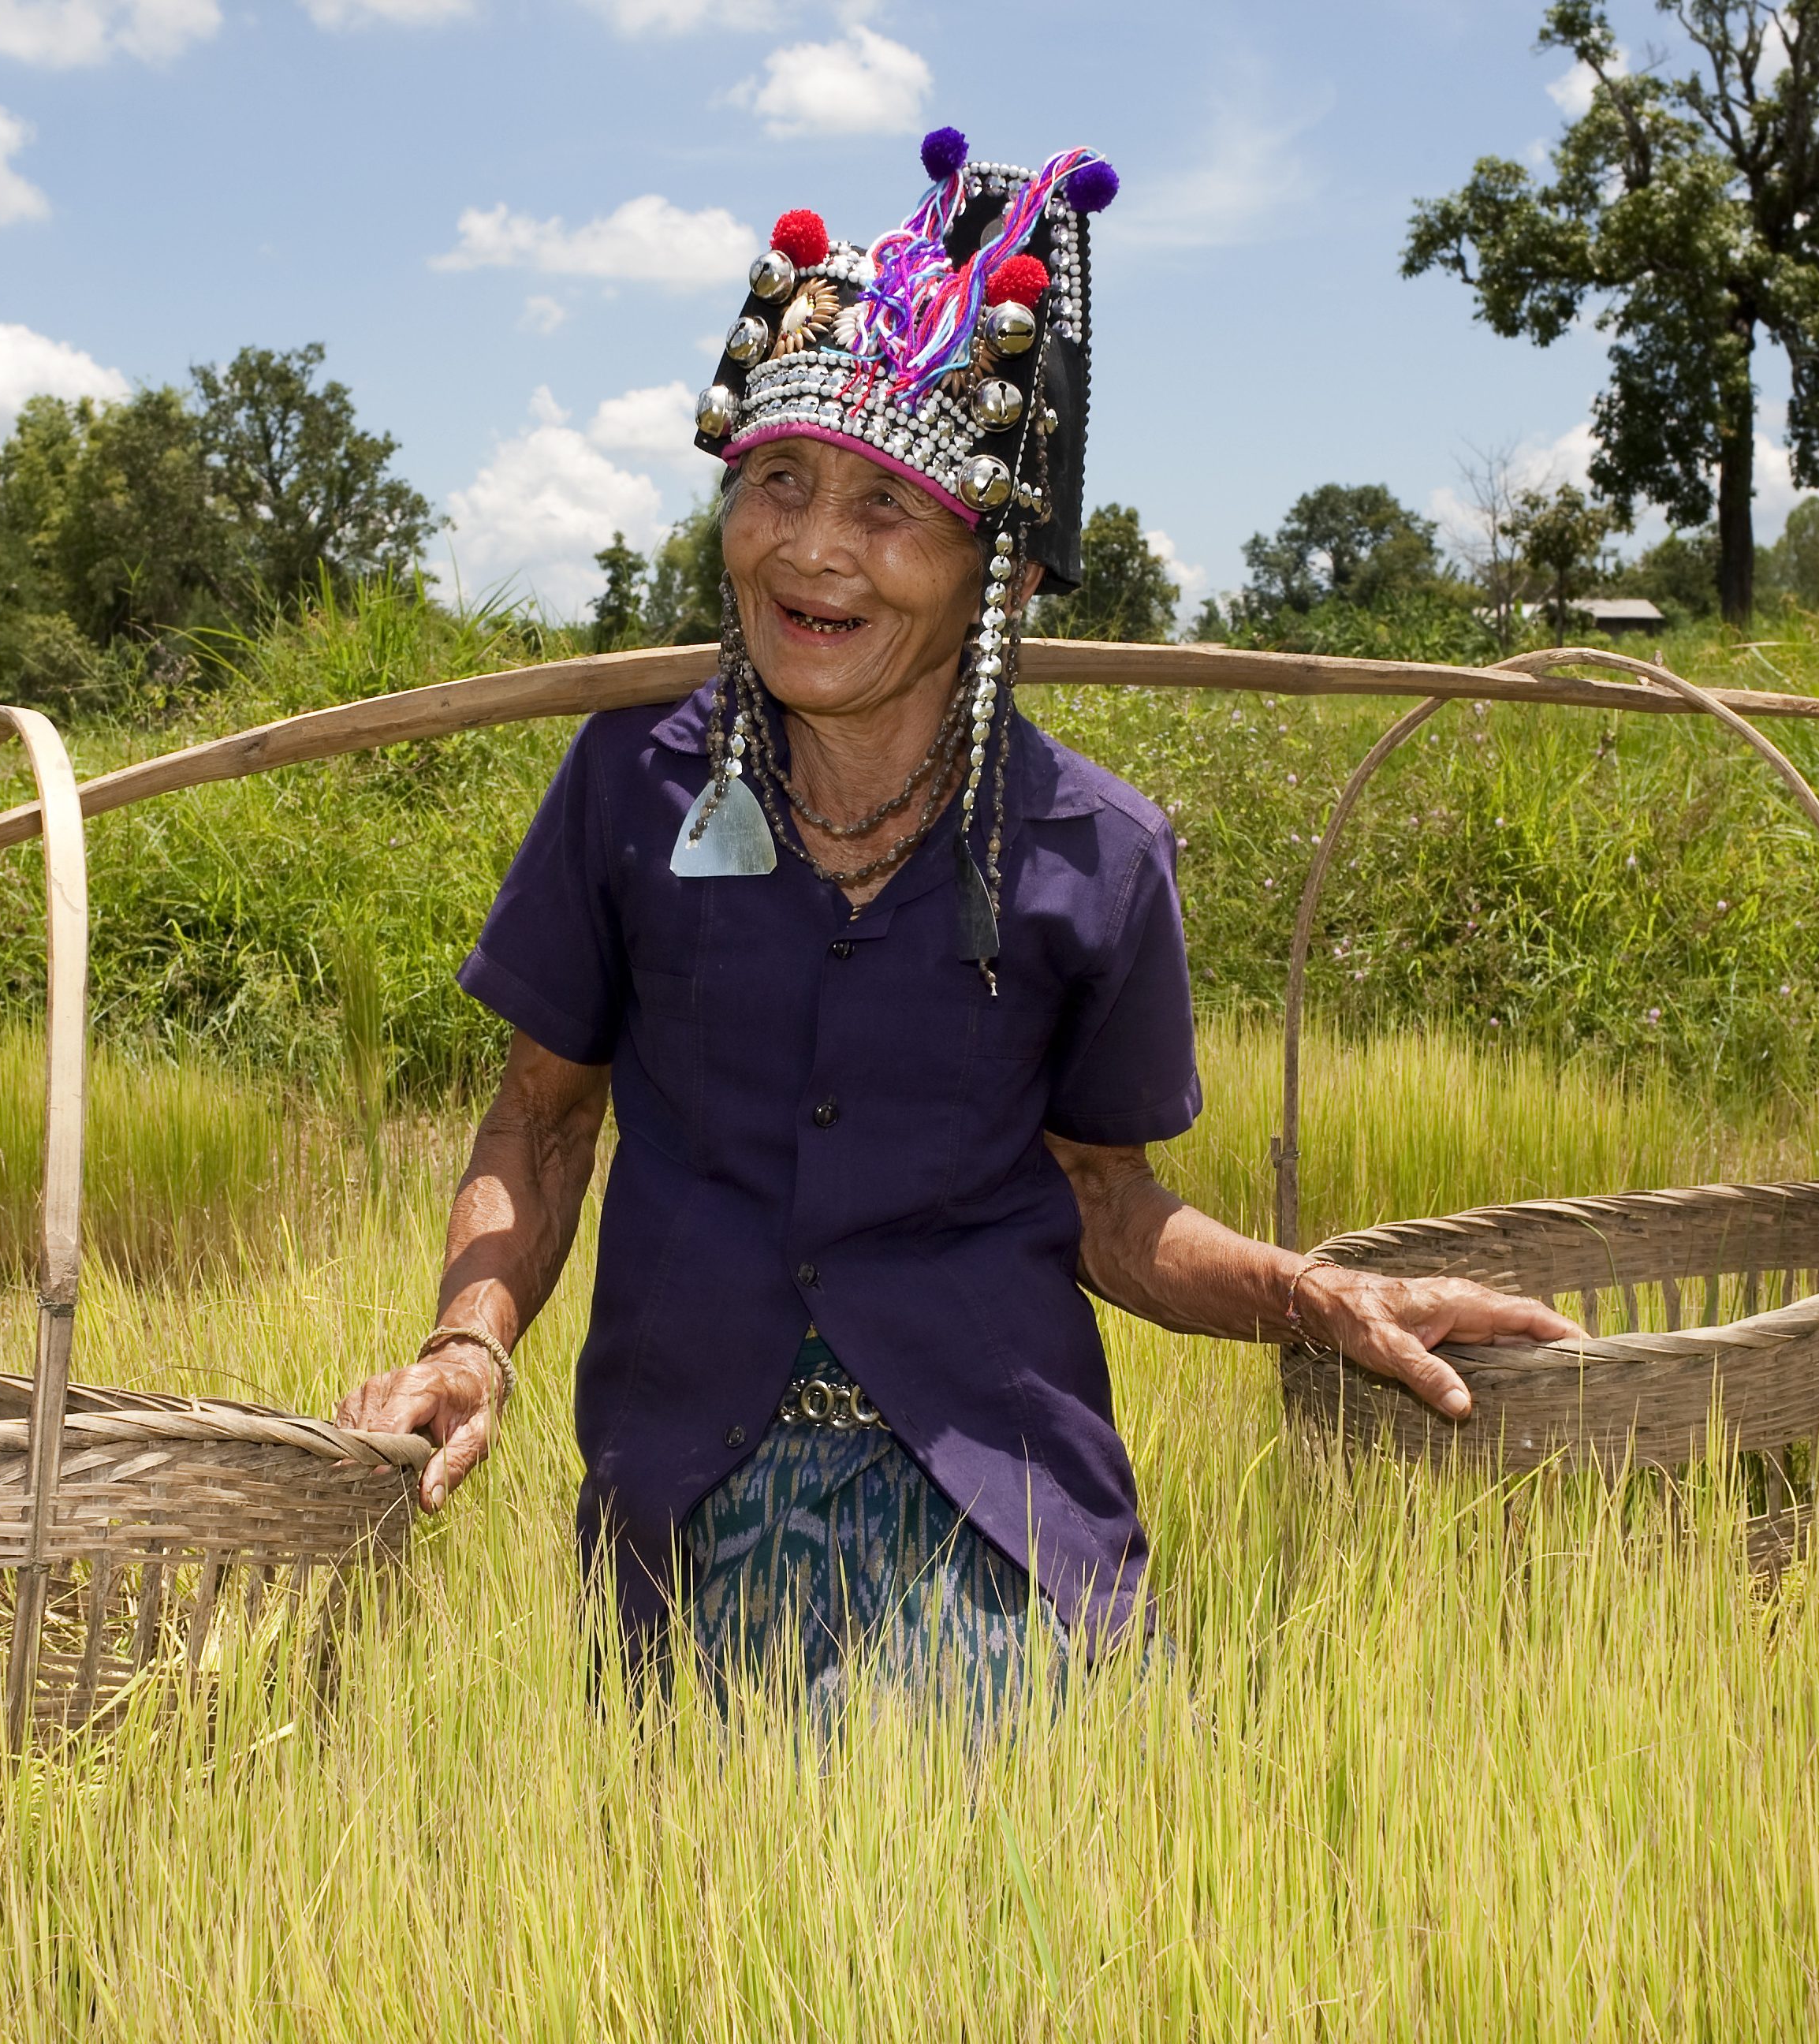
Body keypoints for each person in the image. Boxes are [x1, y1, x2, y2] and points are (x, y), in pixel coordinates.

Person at [337, 130, 1580, 1710]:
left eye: (886, 506)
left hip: (1002, 1525)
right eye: (776, 481)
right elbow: (540, 1127)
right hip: (681, 1516)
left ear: (1004, 571)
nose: (811, 548)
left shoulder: (1096, 853)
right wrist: (469, 1338)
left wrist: (1310, 1297)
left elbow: (1111, 1209)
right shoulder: (626, 787)